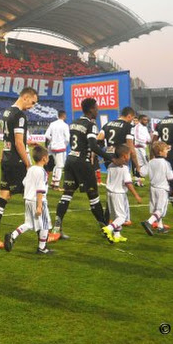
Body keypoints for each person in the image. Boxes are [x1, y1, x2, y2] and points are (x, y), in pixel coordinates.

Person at [51, 98, 118, 240]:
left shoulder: (74, 123)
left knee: (67, 195)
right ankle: (105, 228)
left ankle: (56, 227)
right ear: (91, 110)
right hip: (82, 162)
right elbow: (93, 146)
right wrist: (110, 158)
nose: (98, 110)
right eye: (96, 108)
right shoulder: (91, 124)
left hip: (70, 160)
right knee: (94, 198)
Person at [0, 88, 38, 247]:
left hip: (7, 160)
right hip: (17, 162)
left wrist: (3, 154)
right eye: (33, 102)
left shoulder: (7, 112)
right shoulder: (20, 115)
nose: (33, 106)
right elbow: (18, 142)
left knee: (3, 196)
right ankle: (42, 237)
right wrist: (28, 164)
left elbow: (7, 139)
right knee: (34, 194)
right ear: (25, 97)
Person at [3, 145, 53, 255]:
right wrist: (40, 206)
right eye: (48, 156)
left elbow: (24, 183)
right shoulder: (42, 172)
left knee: (29, 223)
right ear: (44, 158)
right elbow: (40, 190)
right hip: (38, 201)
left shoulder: (31, 169)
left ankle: (13, 235)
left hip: (28, 199)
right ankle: (42, 248)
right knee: (45, 225)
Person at [100, 144, 142, 243]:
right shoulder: (124, 168)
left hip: (109, 193)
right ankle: (109, 228)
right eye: (129, 155)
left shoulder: (110, 165)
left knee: (114, 216)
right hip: (118, 194)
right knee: (122, 217)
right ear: (124, 156)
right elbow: (128, 183)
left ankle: (117, 235)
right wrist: (136, 195)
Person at [139, 142, 173, 236]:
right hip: (162, 189)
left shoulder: (151, 162)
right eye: (166, 150)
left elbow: (142, 173)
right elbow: (171, 178)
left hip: (153, 188)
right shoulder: (166, 163)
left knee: (156, 208)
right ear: (160, 152)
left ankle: (160, 227)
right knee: (160, 209)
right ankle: (149, 222)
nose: (167, 152)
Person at [44, 110, 69, 190]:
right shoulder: (65, 125)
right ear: (64, 116)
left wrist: (53, 140)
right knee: (60, 166)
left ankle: (53, 182)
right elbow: (67, 138)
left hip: (52, 147)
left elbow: (47, 135)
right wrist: (64, 144)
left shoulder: (52, 124)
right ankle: (56, 185)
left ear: (58, 116)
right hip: (60, 147)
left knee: (56, 164)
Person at [132, 114, 152, 187]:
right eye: (144, 120)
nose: (146, 121)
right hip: (138, 148)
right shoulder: (137, 127)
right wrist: (147, 141)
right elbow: (137, 138)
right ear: (140, 120)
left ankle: (138, 181)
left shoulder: (145, 128)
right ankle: (140, 179)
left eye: (147, 120)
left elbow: (148, 138)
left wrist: (150, 140)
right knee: (147, 164)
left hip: (143, 148)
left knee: (142, 165)